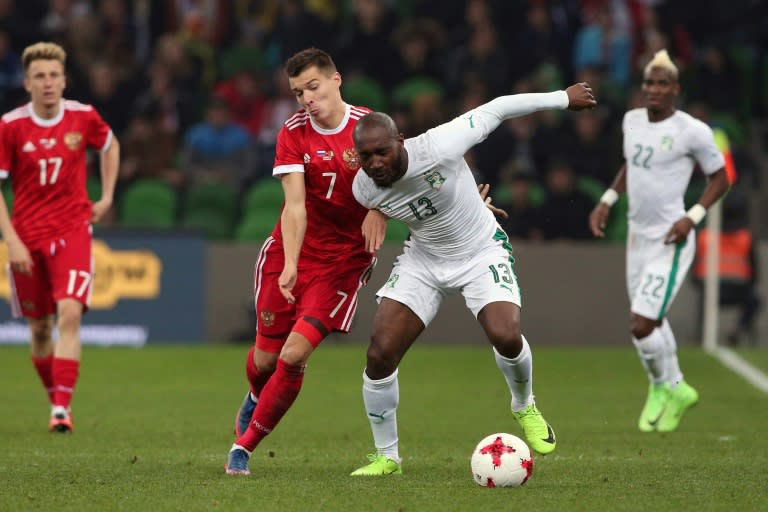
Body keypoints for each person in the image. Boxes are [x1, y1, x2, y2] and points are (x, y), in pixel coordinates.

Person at [348, 82, 597, 476]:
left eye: (382, 152)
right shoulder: (364, 189)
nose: (375, 162)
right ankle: (387, 457)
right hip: (425, 261)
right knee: (379, 354)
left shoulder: (438, 146)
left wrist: (562, 99)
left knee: (505, 334)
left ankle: (524, 405)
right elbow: (396, 205)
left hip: (480, 250)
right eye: (365, 156)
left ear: (400, 141)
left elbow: (497, 108)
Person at [225, 48, 387, 475]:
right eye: (298, 92)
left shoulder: (370, 127)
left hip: (343, 261)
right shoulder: (293, 132)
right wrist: (292, 263)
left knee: (293, 356)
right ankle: (257, 395)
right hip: (290, 251)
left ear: (337, 80)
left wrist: (379, 207)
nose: (306, 99)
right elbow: (294, 206)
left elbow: (399, 178)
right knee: (264, 361)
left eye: (313, 87)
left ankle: (243, 447)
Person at [588, 50, 730, 433]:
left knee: (642, 323)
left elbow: (720, 178)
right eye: (649, 82)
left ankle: (660, 385)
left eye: (662, 83)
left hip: (672, 237)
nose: (653, 89)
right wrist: (607, 199)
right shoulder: (631, 120)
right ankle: (677, 388)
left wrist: (691, 217)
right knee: (650, 320)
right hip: (637, 237)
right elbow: (633, 166)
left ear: (675, 89)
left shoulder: (692, 131)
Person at [0, 42, 120, 432]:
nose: (48, 82)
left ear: (64, 80)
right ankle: (56, 397)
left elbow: (110, 144)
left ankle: (61, 409)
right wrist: (12, 242)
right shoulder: (11, 126)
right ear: (27, 82)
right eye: (40, 76)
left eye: (54, 75)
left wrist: (107, 195)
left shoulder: (83, 117)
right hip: (26, 237)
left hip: (72, 230)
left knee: (69, 313)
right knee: (38, 327)